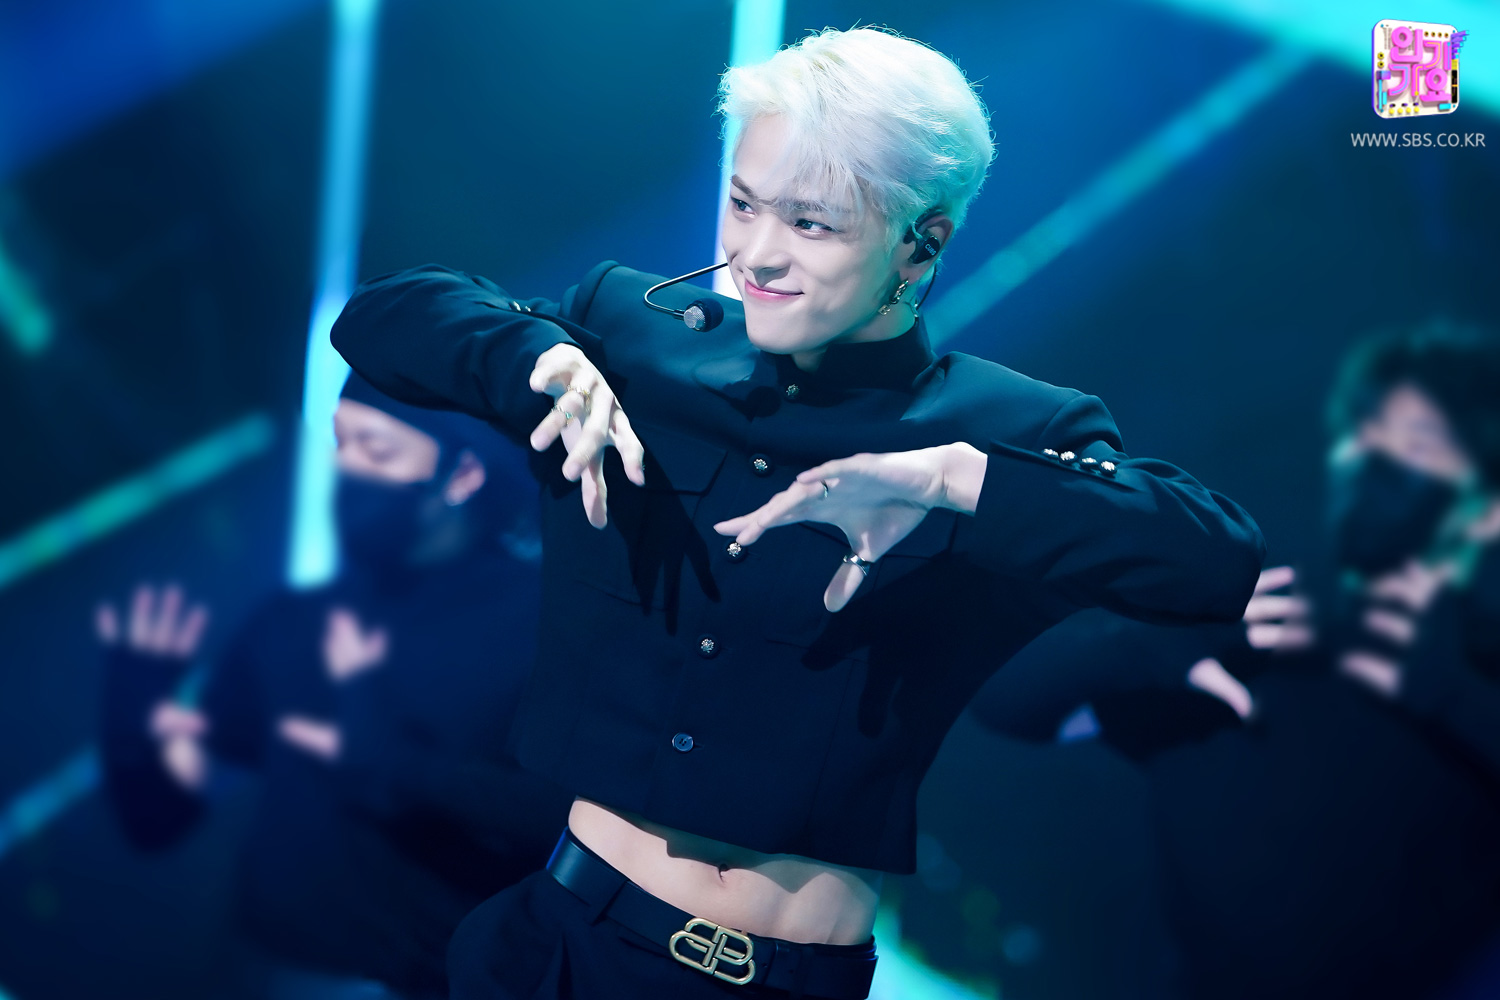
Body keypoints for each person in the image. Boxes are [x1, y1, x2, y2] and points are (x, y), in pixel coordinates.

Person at [331, 26, 1265, 999]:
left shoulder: (1005, 427)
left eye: (812, 225)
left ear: (922, 242)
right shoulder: (629, 335)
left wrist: (957, 480)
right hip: (558, 950)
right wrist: (535, 355)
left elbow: (1212, 559)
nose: (757, 255)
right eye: (743, 204)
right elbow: (383, 316)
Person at [974, 320, 1500, 999]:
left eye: (1416, 445)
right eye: (1361, 435)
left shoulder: (1474, 664)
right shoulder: (1257, 621)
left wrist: (1440, 683)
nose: (1366, 460)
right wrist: (1154, 643)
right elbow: (1004, 697)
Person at [97, 374, 572, 1000]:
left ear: (462, 475)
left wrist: (395, 768)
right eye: (339, 443)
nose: (346, 468)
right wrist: (131, 710)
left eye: (376, 450)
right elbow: (157, 818)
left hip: (432, 982)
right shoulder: (295, 623)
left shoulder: (545, 627)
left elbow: (569, 824)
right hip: (264, 970)